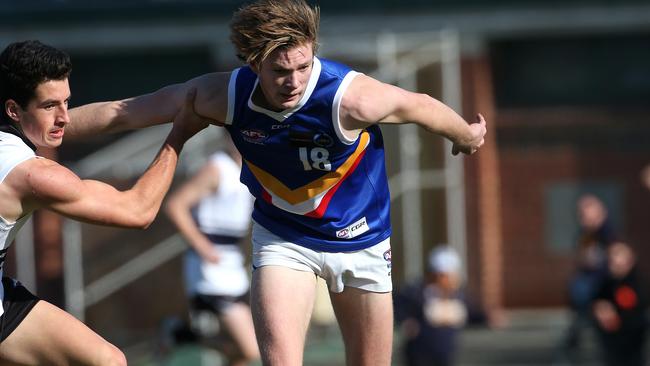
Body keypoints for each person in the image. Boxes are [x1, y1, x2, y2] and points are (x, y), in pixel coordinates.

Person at [66, 1, 487, 364]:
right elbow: (127, 112)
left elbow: (420, 106)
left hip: (363, 241)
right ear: (254, 63)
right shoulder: (223, 95)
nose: (294, 81)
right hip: (286, 239)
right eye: (281, 71)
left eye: (303, 66)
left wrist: (465, 136)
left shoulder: (350, 97)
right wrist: (50, 128)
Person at [0, 40, 208, 365]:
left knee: (107, 360)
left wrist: (160, 103)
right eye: (50, 106)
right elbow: (136, 210)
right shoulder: (34, 176)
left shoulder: (18, 133)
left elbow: (107, 116)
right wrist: (179, 134)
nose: (64, 118)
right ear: (13, 110)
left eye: (66, 102)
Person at [164, 137, 259, 366]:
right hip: (210, 269)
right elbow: (176, 205)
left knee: (240, 351)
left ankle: (181, 335)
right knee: (251, 349)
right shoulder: (217, 168)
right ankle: (180, 336)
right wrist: (201, 245)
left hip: (232, 265)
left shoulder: (252, 169)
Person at [394, 246, 488, 366]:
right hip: (419, 355)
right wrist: (406, 321)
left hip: (445, 355)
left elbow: (471, 313)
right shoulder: (415, 292)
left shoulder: (459, 296)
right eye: (447, 275)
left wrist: (487, 317)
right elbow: (398, 307)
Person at [562, 193, 616, 355]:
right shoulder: (584, 235)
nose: (584, 218)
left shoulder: (608, 234)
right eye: (581, 214)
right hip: (588, 287)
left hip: (604, 285)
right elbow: (582, 259)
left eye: (587, 213)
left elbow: (612, 261)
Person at [592, 241, 647, 366]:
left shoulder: (637, 283)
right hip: (610, 345)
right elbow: (596, 302)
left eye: (619, 255)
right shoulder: (605, 283)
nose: (615, 260)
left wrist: (615, 318)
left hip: (631, 346)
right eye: (612, 256)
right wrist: (600, 310)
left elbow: (636, 312)